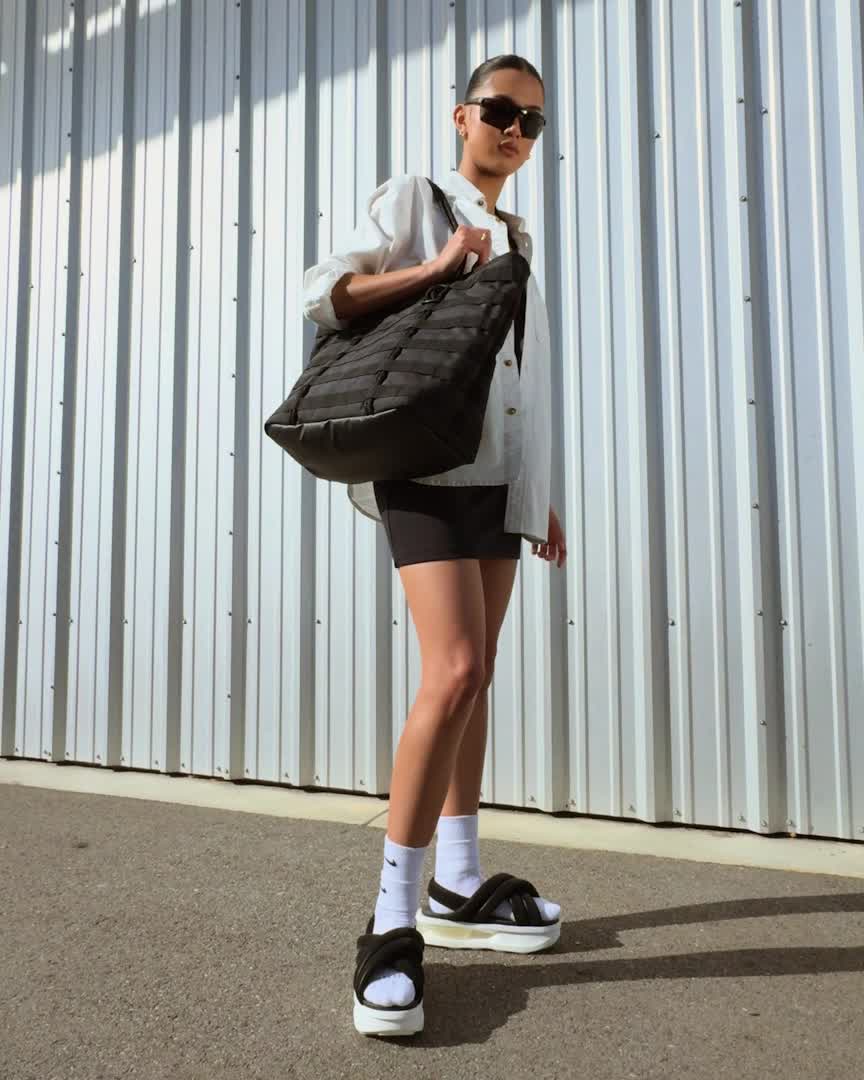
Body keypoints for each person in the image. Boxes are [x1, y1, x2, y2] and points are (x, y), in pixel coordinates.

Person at [302, 54, 567, 1038]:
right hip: (422, 467)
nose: (514, 132)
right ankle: (390, 923)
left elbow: (515, 382)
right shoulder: (415, 199)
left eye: (532, 122)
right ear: (462, 116)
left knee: (477, 673)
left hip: (498, 480)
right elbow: (325, 297)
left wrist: (540, 495)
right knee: (450, 672)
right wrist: (437, 264)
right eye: (500, 112)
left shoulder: (518, 233)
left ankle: (458, 881)